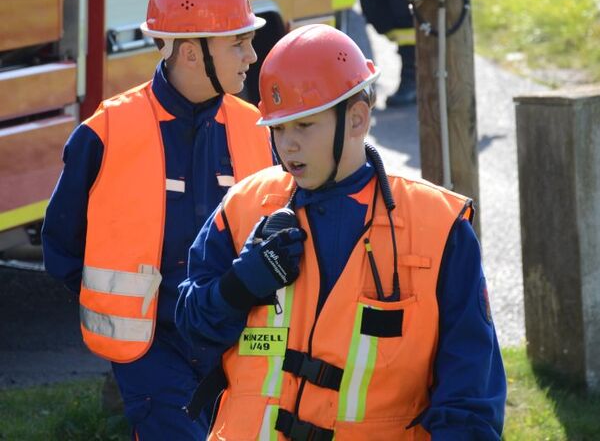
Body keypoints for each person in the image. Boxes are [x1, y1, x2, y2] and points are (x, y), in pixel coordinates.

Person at [176, 24, 506, 439]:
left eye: (304, 125)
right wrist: (237, 288)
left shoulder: (440, 227)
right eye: (278, 128)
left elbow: (470, 393)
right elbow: (189, 326)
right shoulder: (245, 204)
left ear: (357, 119)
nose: (287, 146)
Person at [41, 0, 274, 440]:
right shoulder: (105, 133)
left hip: (239, 350)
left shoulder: (258, 131)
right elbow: (62, 248)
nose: (252, 55)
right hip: (150, 354)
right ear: (190, 52)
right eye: (238, 42)